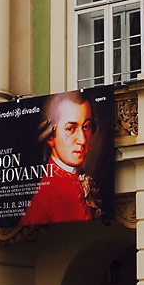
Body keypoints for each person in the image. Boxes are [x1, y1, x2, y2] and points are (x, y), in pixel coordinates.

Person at [19, 93, 102, 226]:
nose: (82, 140)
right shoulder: (45, 193)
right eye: (70, 129)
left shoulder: (78, 177)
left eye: (86, 126)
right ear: (51, 137)